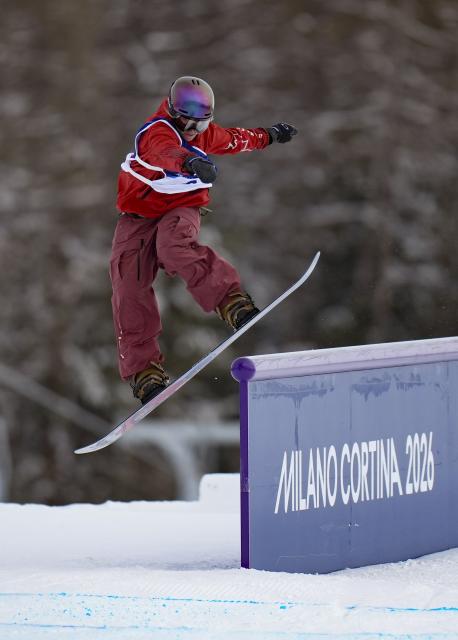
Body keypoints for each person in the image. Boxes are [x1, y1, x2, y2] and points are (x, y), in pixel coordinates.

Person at [112, 76, 297, 404]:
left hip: (180, 208)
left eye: (199, 124)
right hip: (138, 217)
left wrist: (270, 135)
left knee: (174, 248)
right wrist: (190, 160)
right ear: (171, 112)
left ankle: (231, 301)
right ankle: (144, 371)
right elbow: (163, 152)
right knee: (128, 284)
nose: (191, 130)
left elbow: (237, 139)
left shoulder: (205, 134)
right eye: (184, 121)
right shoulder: (157, 132)